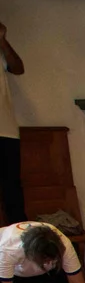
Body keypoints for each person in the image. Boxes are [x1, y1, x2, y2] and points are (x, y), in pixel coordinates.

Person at [0, 21, 25, 223]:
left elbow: (18, 68)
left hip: (6, 130)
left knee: (13, 193)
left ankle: (23, 248)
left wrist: (2, 40)